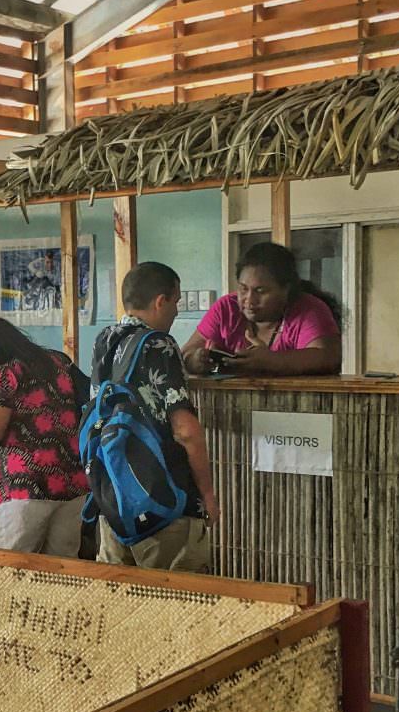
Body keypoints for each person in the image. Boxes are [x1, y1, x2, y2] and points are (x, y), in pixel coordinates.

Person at [90, 261, 219, 572]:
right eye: (175, 301)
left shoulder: (104, 341)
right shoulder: (159, 343)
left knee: (117, 598)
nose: (176, 311)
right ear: (161, 301)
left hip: (113, 499)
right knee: (179, 600)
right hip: (165, 501)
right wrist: (208, 494)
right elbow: (184, 429)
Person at [0, 317, 89, 556]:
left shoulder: (6, 375)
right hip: (72, 484)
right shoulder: (59, 362)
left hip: (27, 486)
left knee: (13, 570)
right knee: (63, 571)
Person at [181, 241, 342, 376]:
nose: (249, 300)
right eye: (243, 289)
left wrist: (272, 361)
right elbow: (184, 355)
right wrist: (195, 361)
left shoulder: (309, 309)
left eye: (261, 291)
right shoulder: (226, 308)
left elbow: (327, 357)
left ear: (285, 289)